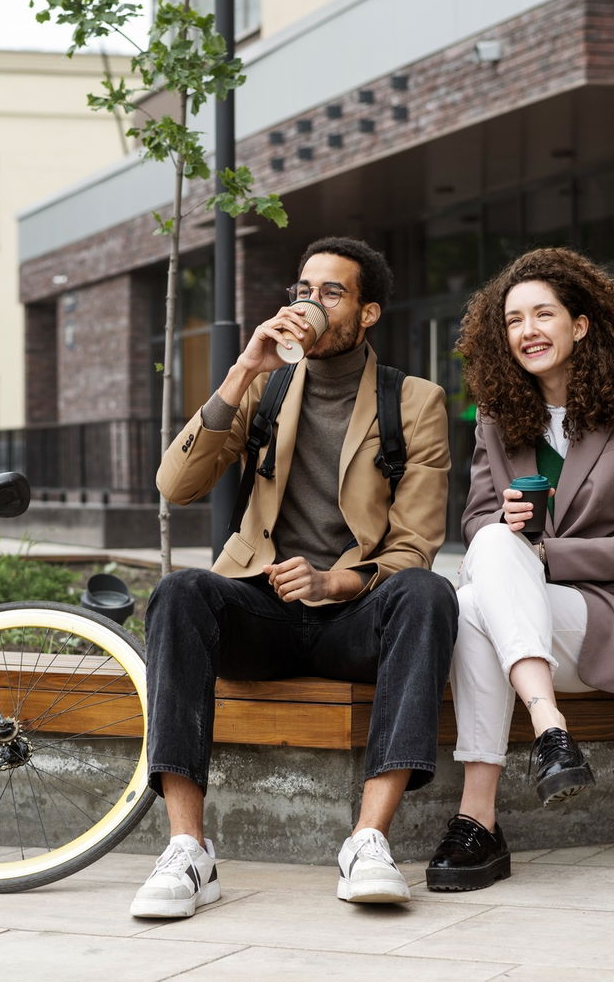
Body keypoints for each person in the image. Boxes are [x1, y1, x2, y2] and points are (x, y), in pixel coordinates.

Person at [130, 236, 456, 918]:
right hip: (265, 611)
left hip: (352, 617)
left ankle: (368, 840)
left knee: (428, 595)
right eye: (302, 291)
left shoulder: (415, 402)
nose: (309, 303)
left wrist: (333, 583)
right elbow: (175, 483)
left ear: (367, 313)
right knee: (180, 591)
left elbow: (413, 547)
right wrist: (241, 370)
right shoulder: (268, 386)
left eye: (330, 292)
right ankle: (189, 850)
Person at [424, 247, 614, 893]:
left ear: (581, 325)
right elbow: (478, 525)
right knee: (481, 576)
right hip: (530, 630)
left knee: (478, 598)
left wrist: (543, 554)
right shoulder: (496, 421)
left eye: (543, 314)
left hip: (609, 621)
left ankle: (479, 823)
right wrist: (508, 533)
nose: (527, 331)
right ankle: (547, 736)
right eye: (513, 321)